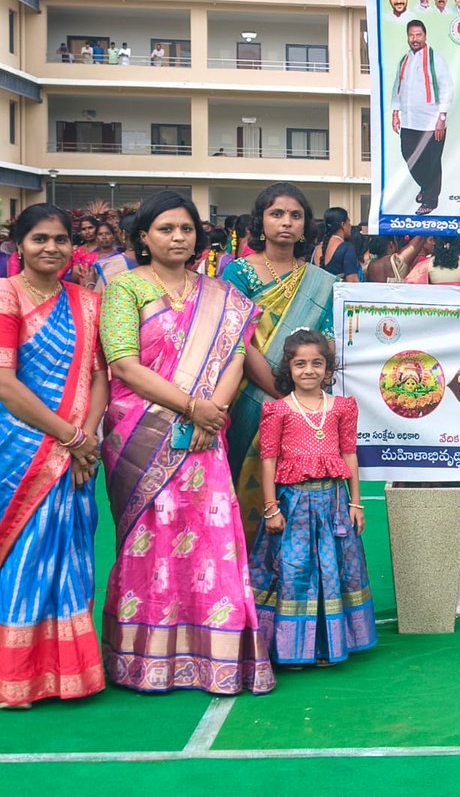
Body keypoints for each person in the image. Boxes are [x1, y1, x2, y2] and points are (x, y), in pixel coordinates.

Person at [99, 190, 274, 695]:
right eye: (166, 229)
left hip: (205, 435)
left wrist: (212, 414)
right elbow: (124, 366)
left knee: (211, 540)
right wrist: (191, 407)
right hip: (141, 433)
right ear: (144, 237)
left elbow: (236, 358)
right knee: (148, 540)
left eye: (186, 229)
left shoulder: (222, 295)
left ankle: (215, 657)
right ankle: (145, 661)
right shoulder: (124, 289)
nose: (178, 237)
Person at [0, 204, 107, 708]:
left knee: (72, 554)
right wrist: (69, 437)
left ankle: (69, 672)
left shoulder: (87, 301)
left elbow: (100, 376)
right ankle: (17, 675)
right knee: (25, 555)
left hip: (75, 449)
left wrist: (85, 437)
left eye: (61, 239)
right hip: (22, 449)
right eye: (40, 239)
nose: (51, 249)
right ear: (18, 244)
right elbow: (4, 382)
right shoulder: (6, 295)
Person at [249, 330, 375, 667]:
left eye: (317, 363)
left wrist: (356, 502)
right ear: (288, 369)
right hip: (293, 508)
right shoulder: (277, 411)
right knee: (294, 571)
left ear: (328, 369)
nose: (309, 370)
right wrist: (271, 507)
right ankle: (292, 649)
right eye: (300, 364)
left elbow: (350, 454)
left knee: (333, 572)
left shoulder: (342, 408)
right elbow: (269, 460)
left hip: (333, 503)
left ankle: (327, 646)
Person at [223, 183, 336, 545]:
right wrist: (279, 392)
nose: (286, 222)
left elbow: (329, 342)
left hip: (304, 404)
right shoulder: (238, 274)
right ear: (261, 221)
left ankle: (291, 579)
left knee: (298, 494)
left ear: (306, 226)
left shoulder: (322, 282)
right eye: (276, 214)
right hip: (249, 400)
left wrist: (300, 393)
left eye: (295, 215)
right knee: (244, 482)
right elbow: (236, 340)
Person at [390, 19, 453, 216]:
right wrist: (395, 112)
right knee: (409, 155)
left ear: (425, 36)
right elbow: (397, 88)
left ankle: (430, 201)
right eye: (411, 35)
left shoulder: (435, 59)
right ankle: (426, 187)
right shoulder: (404, 60)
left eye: (418, 35)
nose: (415, 39)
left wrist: (442, 117)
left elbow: (446, 87)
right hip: (410, 120)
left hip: (432, 120)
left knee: (432, 161)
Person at [92, 214, 139, 295]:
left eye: (107, 233)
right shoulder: (157, 260)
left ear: (123, 234)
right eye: (100, 234)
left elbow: (96, 299)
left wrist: (89, 284)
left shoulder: (110, 265)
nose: (104, 237)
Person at [312, 207, 361, 282]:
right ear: (342, 224)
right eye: (349, 222)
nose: (350, 225)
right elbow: (353, 281)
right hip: (337, 293)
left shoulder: (317, 248)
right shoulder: (346, 248)